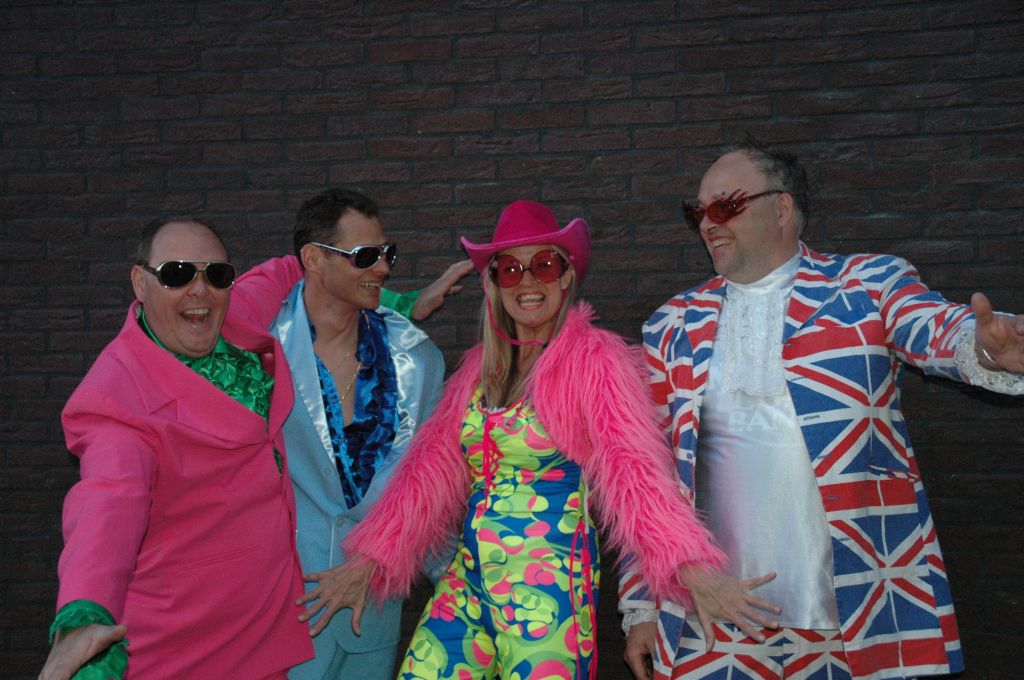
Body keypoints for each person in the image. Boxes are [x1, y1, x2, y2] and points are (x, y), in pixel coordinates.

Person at [622, 140, 1024, 680]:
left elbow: (933, 327)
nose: (708, 223)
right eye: (698, 212)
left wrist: (984, 349)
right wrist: (642, 607)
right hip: (713, 617)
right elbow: (643, 477)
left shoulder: (868, 286)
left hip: (856, 613)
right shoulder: (670, 324)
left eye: (725, 206)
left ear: (782, 208)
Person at [297, 200, 743, 679]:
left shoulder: (594, 362)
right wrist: (371, 561)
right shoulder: (478, 371)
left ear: (566, 276)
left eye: (544, 265)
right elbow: (426, 477)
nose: (527, 282)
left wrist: (688, 567)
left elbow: (634, 474)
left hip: (547, 594)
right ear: (493, 283)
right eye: (509, 270)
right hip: (469, 583)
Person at [40, 219, 314, 679]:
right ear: (140, 282)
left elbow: (284, 273)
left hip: (266, 633)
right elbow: (109, 501)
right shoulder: (119, 393)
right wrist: (84, 612)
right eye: (177, 273)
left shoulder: (231, 314)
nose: (200, 290)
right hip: (184, 650)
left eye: (217, 274)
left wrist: (388, 295)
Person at [241, 188, 467, 680]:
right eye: (365, 256)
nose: (382, 268)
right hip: (276, 615)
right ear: (313, 259)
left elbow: (425, 489)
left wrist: (456, 585)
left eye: (387, 254)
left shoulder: (418, 359)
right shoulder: (258, 353)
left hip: (373, 613)